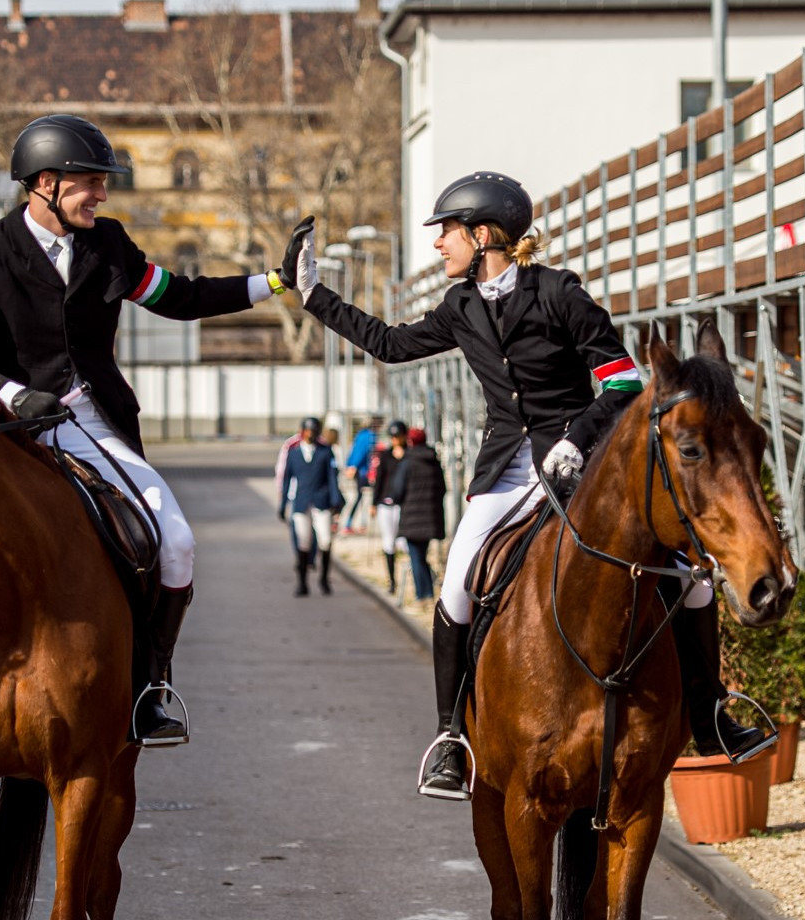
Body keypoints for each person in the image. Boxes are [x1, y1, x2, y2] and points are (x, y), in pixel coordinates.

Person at [283, 172, 774, 800]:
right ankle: (450, 740)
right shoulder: (459, 307)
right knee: (457, 586)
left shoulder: (560, 294)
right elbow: (388, 343)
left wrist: (576, 439)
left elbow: (622, 383)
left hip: (581, 463)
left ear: (482, 235)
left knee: (692, 577)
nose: (439, 245)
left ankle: (710, 715)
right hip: (505, 471)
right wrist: (313, 296)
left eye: (447, 233)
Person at [0, 113, 294, 743]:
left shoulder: (109, 247)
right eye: (90, 183)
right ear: (45, 183)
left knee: (176, 541)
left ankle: (151, 687)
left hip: (88, 420)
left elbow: (178, 298)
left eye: (103, 184)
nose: (102, 194)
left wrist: (274, 281)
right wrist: (18, 396)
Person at [279, 416, 342, 596]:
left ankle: (324, 578)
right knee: (303, 542)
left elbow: (332, 478)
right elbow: (286, 480)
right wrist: (283, 504)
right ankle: (302, 582)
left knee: (326, 540)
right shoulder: (294, 453)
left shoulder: (325, 452)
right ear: (302, 432)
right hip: (301, 502)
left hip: (321, 502)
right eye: (307, 431)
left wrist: (335, 500)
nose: (310, 434)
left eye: (314, 431)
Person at [395, 426, 447, 606]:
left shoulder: (407, 462)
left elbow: (397, 490)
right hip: (430, 517)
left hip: (412, 517)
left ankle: (422, 596)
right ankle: (429, 592)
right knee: (421, 555)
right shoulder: (433, 462)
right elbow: (442, 488)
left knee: (415, 557)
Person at [368, 419, 412, 596]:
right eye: (392, 437)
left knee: (404, 542)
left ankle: (412, 577)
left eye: (398, 436)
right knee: (389, 542)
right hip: (386, 503)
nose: (395, 439)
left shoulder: (410, 454)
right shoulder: (385, 456)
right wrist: (373, 503)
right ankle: (392, 580)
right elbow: (379, 480)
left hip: (403, 503)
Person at [340, 414, 384, 533]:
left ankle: (354, 523)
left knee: (360, 497)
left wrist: (350, 465)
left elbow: (354, 451)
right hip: (365, 472)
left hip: (360, 471)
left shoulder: (361, 435)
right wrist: (354, 466)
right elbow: (361, 452)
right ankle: (359, 524)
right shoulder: (370, 436)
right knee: (366, 497)